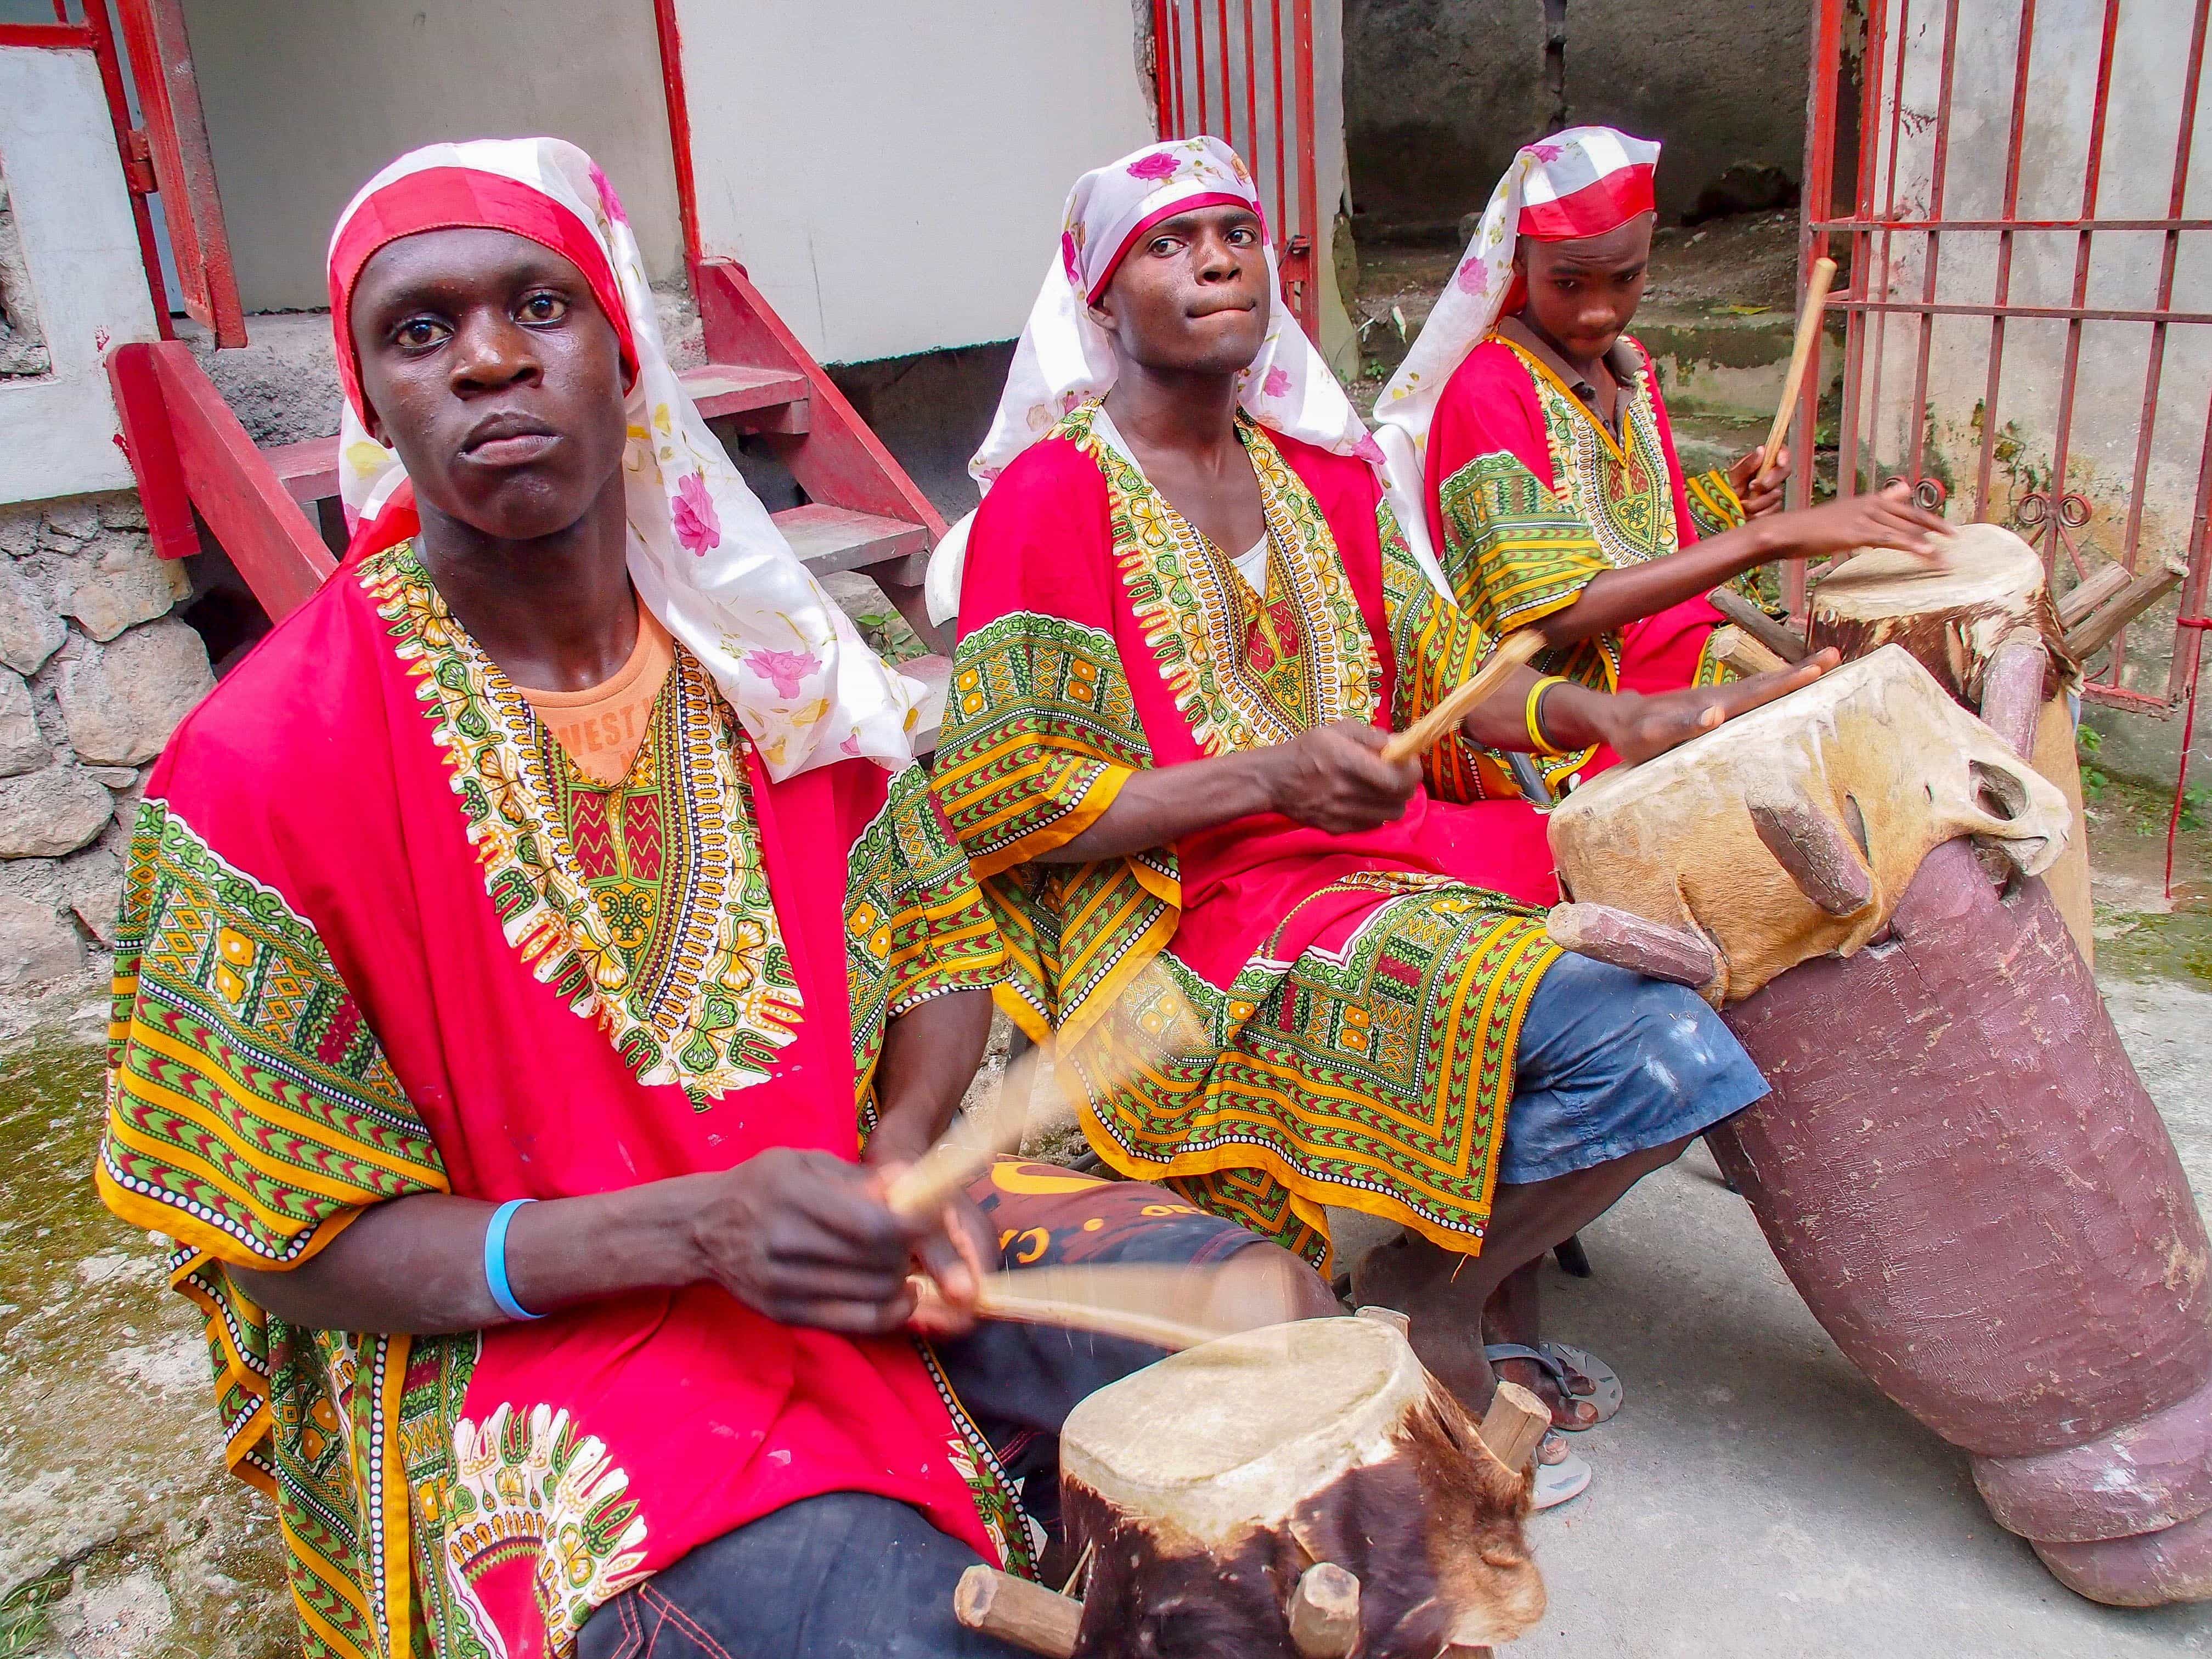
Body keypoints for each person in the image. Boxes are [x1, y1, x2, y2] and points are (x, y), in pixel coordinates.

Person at [92, 138, 1333, 1659]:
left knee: (1278, 1342)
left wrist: (894, 1169)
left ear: (622, 354)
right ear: (370, 399)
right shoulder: (259, 767)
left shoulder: (771, 668)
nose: (487, 361)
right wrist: (692, 1231)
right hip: (529, 1339)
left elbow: (939, 941)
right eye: (420, 331)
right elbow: (283, 1247)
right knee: (896, 1630)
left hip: (839, 1228)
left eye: (538, 307)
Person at [926, 137, 1848, 1503]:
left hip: (1383, 867)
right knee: (1655, 1049)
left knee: (1714, 956)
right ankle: (1444, 1306)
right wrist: (1271, 778)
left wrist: (1617, 725)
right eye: (1171, 245)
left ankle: (1434, 1286)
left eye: (1237, 233)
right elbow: (1012, 806)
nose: (1219, 260)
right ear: (1099, 299)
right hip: (1190, 922)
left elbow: (1452, 682)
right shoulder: (1049, 502)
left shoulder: (1323, 484)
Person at [1372, 125, 1949, 795]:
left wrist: (1723, 504)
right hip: (1583, 702)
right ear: (1519, 258)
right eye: (1568, 282)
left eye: (1626, 278)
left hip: (1669, 644)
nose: (1599, 310)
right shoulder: (1486, 392)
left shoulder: (1634, 367)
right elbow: (1554, 616)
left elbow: (1642, 537)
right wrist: (1769, 537)